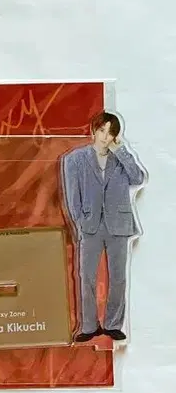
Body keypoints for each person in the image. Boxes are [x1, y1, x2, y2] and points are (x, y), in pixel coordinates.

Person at [61, 111, 145, 343]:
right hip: (90, 226)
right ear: (93, 131)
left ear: (115, 136)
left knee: (118, 278)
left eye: (110, 133)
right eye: (101, 131)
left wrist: (122, 151)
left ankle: (113, 324)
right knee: (86, 276)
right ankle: (89, 326)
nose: (105, 137)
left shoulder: (121, 158)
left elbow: (138, 178)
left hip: (119, 225)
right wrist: (80, 221)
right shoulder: (75, 160)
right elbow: (72, 197)